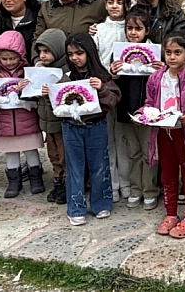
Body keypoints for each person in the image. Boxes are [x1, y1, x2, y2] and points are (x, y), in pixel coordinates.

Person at [43, 33, 121, 226]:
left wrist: (102, 88)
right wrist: (48, 95)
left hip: (96, 127)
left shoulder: (101, 76)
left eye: (79, 53)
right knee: (75, 168)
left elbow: (113, 100)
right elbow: (58, 104)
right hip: (72, 128)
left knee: (99, 166)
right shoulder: (66, 78)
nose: (75, 58)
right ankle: (76, 208)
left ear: (90, 53)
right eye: (70, 54)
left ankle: (101, 203)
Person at [140, 35, 185, 239]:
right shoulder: (156, 77)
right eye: (168, 52)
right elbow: (150, 101)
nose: (172, 57)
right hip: (163, 132)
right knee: (167, 174)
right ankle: (171, 214)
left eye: (178, 53)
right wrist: (146, 112)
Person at [111, 9, 161, 211]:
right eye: (129, 28)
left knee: (149, 151)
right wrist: (113, 72)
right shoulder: (119, 54)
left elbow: (163, 82)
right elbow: (113, 82)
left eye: (138, 28)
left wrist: (161, 70)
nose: (133, 32)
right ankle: (135, 189)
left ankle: (150, 190)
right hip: (126, 110)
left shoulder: (155, 54)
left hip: (149, 111)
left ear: (147, 30)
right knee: (132, 152)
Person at [0, 30, 45, 198]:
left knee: (31, 150)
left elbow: (35, 97)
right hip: (5, 122)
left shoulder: (27, 74)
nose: (9, 62)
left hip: (26, 120)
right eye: (4, 59)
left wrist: (24, 89)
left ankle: (36, 179)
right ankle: (14, 182)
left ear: (20, 57)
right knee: (11, 152)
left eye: (12, 58)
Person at [90, 0, 131, 203]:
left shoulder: (131, 28)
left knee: (123, 137)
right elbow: (95, 57)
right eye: (111, 2)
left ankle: (127, 183)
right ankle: (112, 184)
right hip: (105, 86)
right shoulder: (99, 30)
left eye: (119, 2)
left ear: (126, 5)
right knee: (107, 139)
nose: (115, 6)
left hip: (126, 86)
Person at [33, 0, 106, 61]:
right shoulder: (47, 7)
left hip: (87, 67)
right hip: (55, 67)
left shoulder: (98, 5)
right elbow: (38, 38)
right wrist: (37, 61)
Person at [33, 28, 69, 205]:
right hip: (47, 122)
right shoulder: (39, 71)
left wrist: (52, 93)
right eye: (40, 52)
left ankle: (68, 183)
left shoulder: (65, 73)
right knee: (53, 155)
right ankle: (58, 180)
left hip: (61, 122)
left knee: (64, 155)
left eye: (47, 51)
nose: (42, 56)